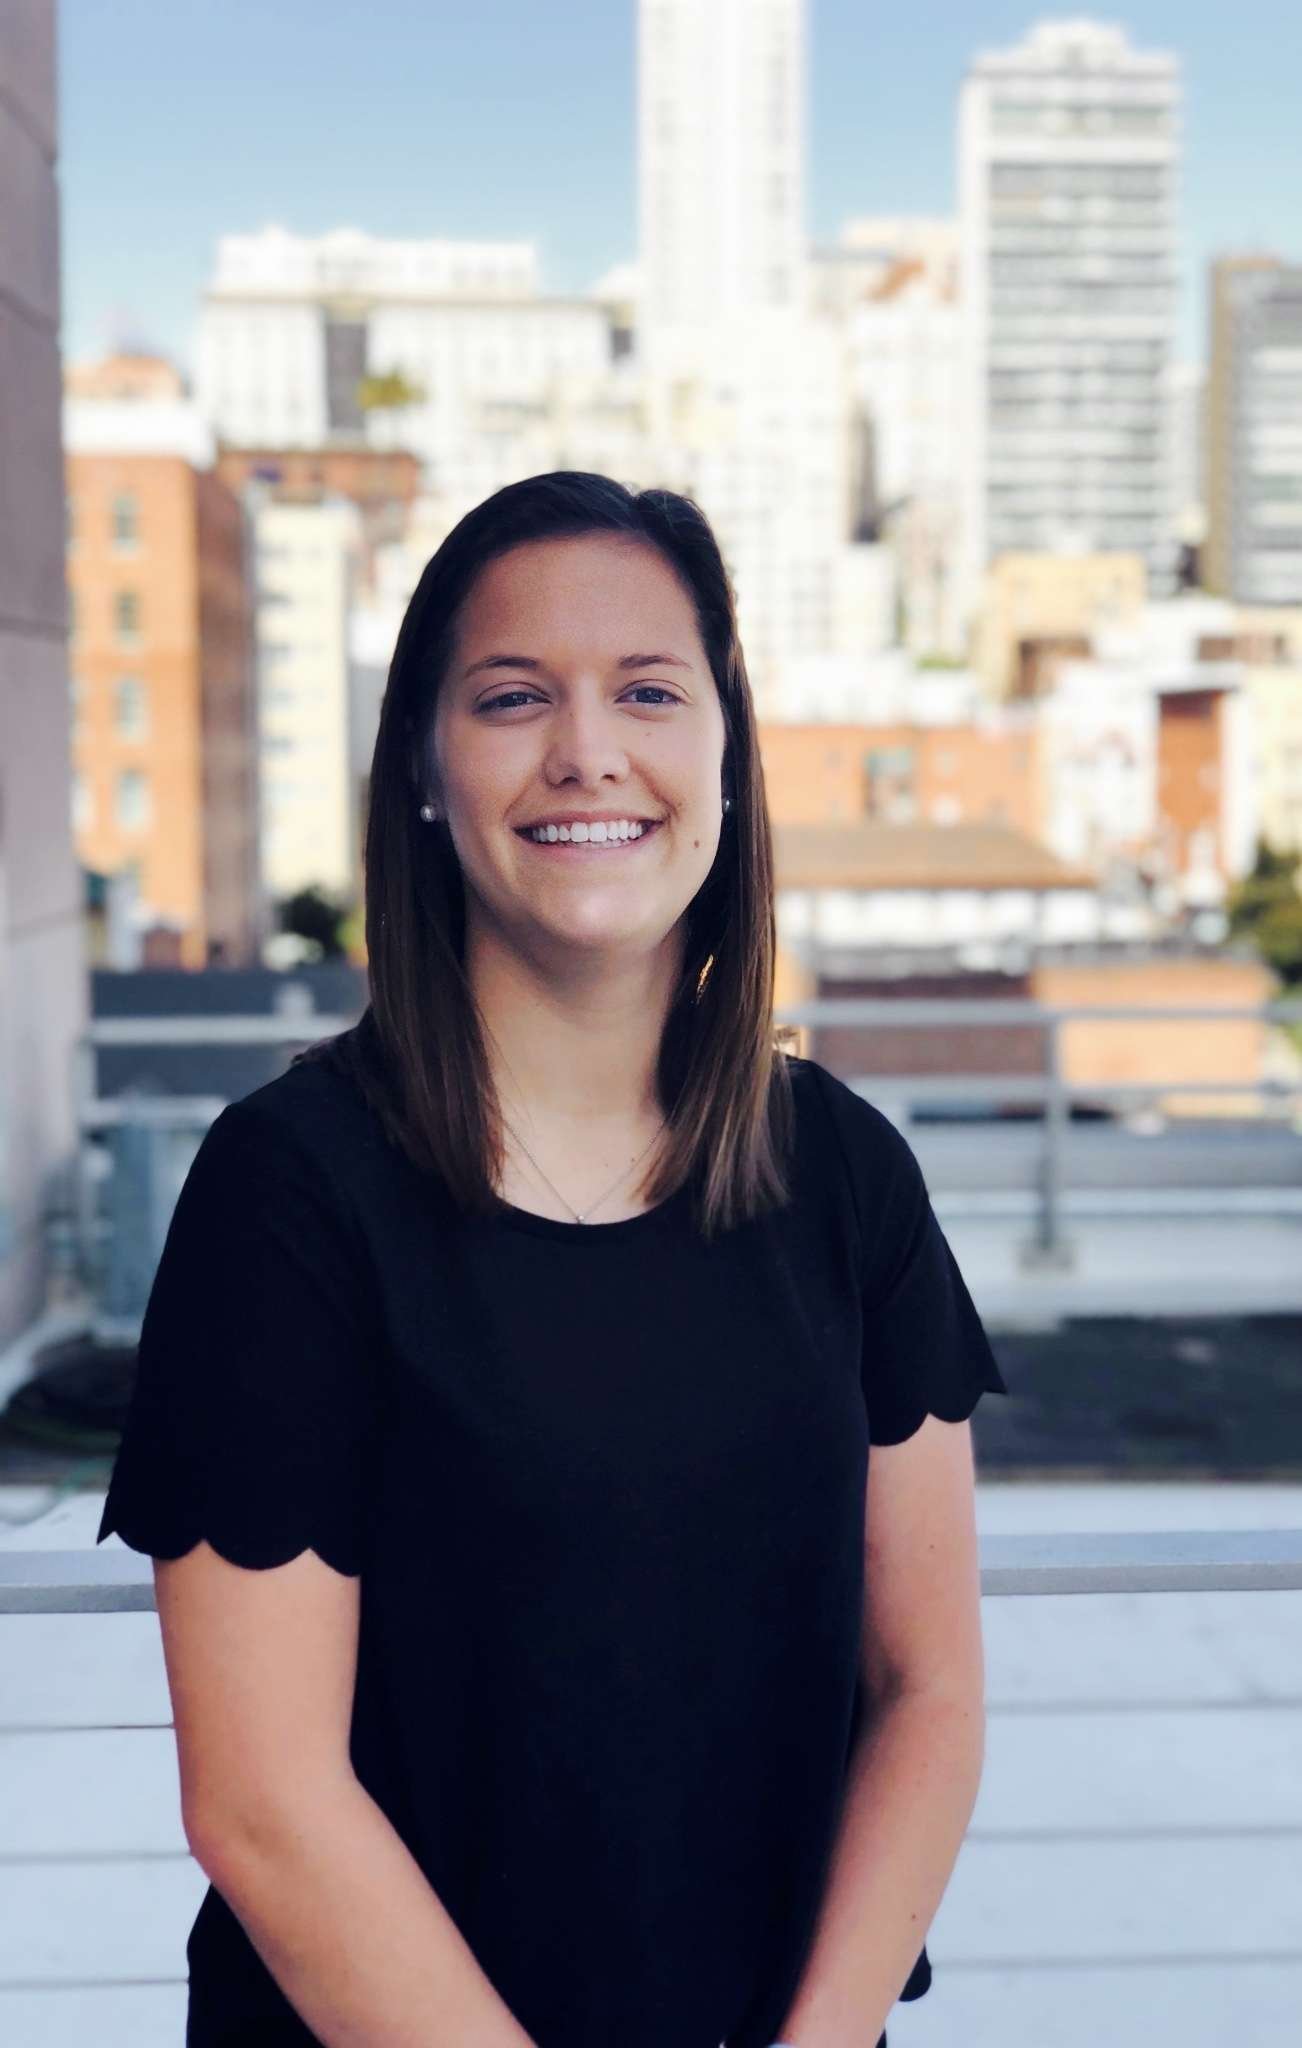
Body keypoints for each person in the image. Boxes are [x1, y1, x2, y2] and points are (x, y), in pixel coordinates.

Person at [96, 470, 1009, 2048]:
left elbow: (927, 1691)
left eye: (647, 690)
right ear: (426, 775)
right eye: (513, 696)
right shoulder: (290, 1192)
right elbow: (263, 1804)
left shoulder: (844, 1172)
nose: (587, 748)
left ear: (721, 752)